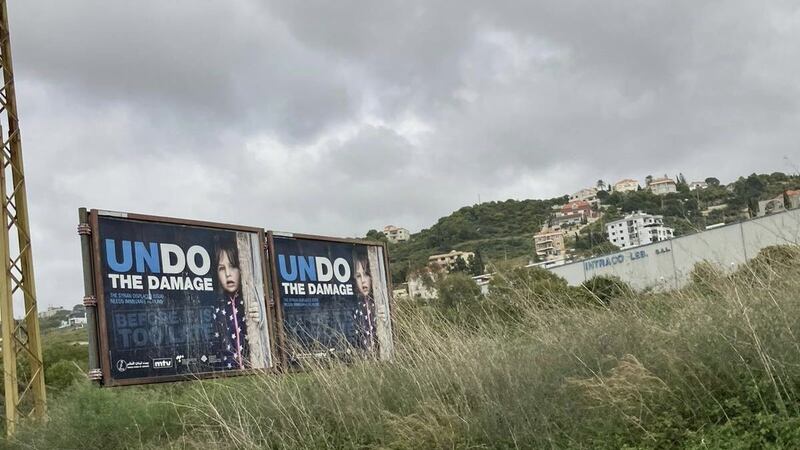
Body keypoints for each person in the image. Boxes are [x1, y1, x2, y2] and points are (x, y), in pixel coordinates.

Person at [209, 235, 256, 370]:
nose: (228, 274)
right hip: (228, 376)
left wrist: (262, 316)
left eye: (233, 266)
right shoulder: (217, 307)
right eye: (222, 268)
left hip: (255, 370)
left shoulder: (250, 300)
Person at [351, 250, 377, 353]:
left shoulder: (379, 303)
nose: (363, 280)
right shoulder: (357, 308)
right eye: (358, 276)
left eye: (366, 274)